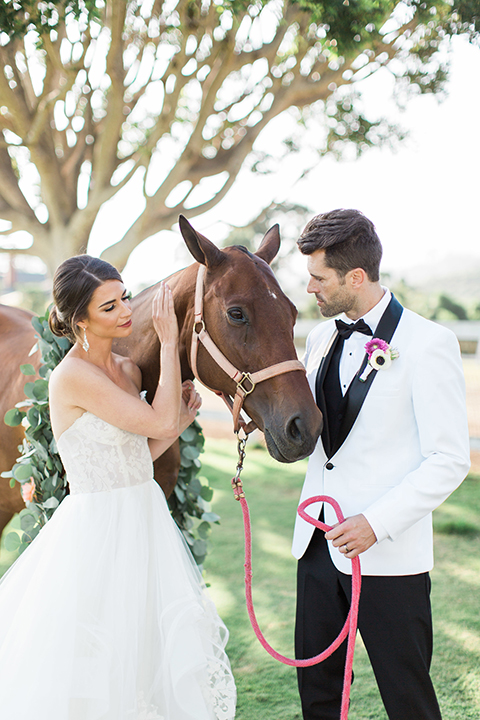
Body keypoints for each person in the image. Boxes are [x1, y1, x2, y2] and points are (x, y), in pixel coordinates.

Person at [0, 255, 236, 720]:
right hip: (99, 530)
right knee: (101, 650)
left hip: (144, 519)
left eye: (124, 297)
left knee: (146, 642)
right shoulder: (73, 377)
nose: (126, 310)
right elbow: (158, 416)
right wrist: (170, 345)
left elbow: (133, 457)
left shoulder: (127, 372)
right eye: (109, 306)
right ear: (80, 320)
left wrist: (177, 426)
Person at [292, 209, 470, 720]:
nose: (309, 290)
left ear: (355, 277)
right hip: (318, 549)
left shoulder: (427, 343)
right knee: (318, 695)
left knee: (407, 696)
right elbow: (321, 441)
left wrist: (376, 523)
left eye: (318, 278)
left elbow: (449, 459)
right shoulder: (320, 338)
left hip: (388, 556)